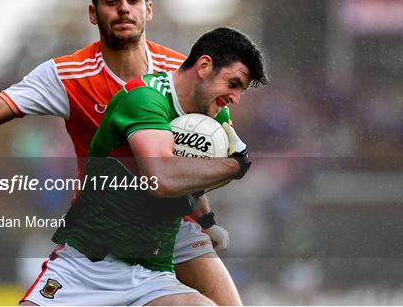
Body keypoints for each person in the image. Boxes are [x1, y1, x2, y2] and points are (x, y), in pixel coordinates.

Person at [0, 0, 250, 305]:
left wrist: (207, 218)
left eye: (133, 0)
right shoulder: (67, 75)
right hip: (103, 232)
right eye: (111, 1)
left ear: (148, 11)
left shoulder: (184, 75)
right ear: (93, 13)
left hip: (172, 228)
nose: (123, 9)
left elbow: (209, 146)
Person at [20, 26, 268, 305]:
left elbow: (191, 173)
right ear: (204, 66)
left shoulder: (214, 112)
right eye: (233, 84)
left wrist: (207, 222)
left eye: (241, 90)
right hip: (90, 262)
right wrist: (234, 167)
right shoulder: (144, 98)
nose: (235, 98)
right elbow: (162, 179)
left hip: (150, 269)